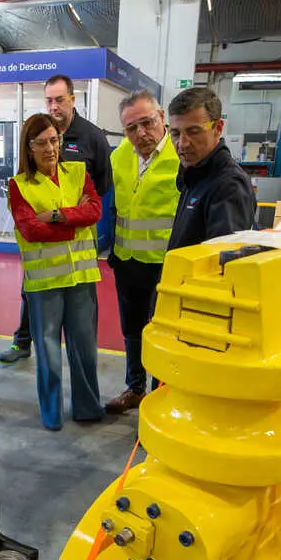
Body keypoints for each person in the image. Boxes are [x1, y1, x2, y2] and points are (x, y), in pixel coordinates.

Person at [0, 74, 113, 364]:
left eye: (59, 99)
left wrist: (64, 214)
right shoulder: (33, 135)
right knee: (32, 295)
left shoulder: (92, 137)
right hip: (45, 258)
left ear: (73, 100)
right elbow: (29, 221)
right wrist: (76, 218)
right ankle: (22, 341)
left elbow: (100, 189)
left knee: (81, 334)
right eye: (49, 100)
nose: (54, 105)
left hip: (77, 262)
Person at [9, 113, 104, 431]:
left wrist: (57, 215)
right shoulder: (19, 185)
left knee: (85, 347)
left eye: (54, 140)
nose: (50, 148)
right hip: (45, 283)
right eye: (41, 143)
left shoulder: (77, 171)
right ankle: (51, 413)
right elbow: (30, 229)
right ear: (29, 147)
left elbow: (95, 211)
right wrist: (73, 224)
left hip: (81, 278)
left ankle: (88, 407)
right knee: (48, 351)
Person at [104, 90, 179, 416]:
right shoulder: (119, 156)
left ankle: (160, 401)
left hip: (164, 267)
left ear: (161, 117)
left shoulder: (181, 157)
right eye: (131, 128)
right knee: (132, 331)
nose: (141, 134)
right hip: (127, 262)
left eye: (147, 123)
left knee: (162, 337)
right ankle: (135, 388)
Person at [166, 87, 256, 250]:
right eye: (175, 134)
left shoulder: (229, 185)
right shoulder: (195, 174)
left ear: (218, 128)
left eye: (194, 132)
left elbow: (219, 264)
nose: (182, 144)